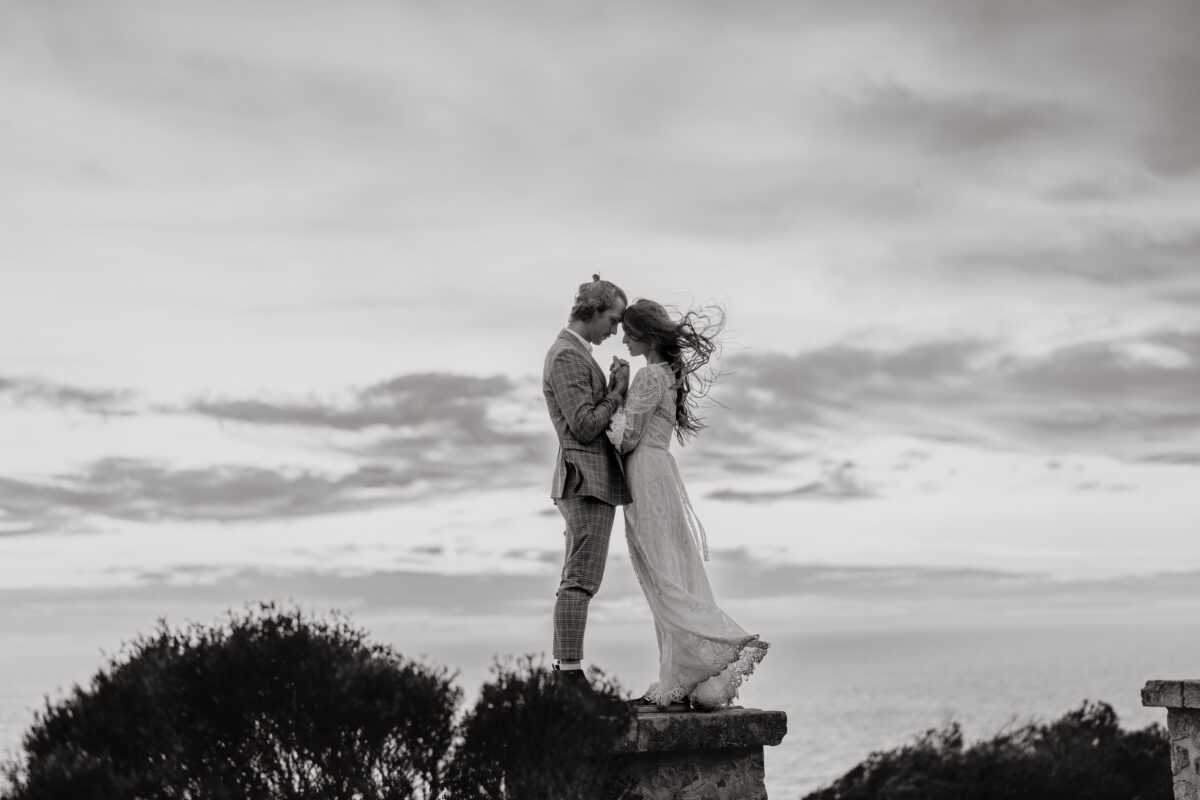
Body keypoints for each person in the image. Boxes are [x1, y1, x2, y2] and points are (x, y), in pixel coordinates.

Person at [607, 298, 768, 711]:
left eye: (628, 332)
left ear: (644, 334)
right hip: (659, 472)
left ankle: (722, 643)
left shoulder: (648, 376)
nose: (624, 338)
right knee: (670, 570)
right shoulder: (669, 375)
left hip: (645, 474)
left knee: (663, 576)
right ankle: (681, 674)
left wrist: (616, 393)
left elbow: (626, 439)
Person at [542, 275, 633, 691]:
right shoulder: (565, 355)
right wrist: (616, 392)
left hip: (587, 480)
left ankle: (568, 674)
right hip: (586, 480)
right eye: (612, 319)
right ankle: (571, 679)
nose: (615, 330)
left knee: (577, 579)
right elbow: (583, 425)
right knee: (580, 580)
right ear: (593, 311)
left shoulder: (576, 353)